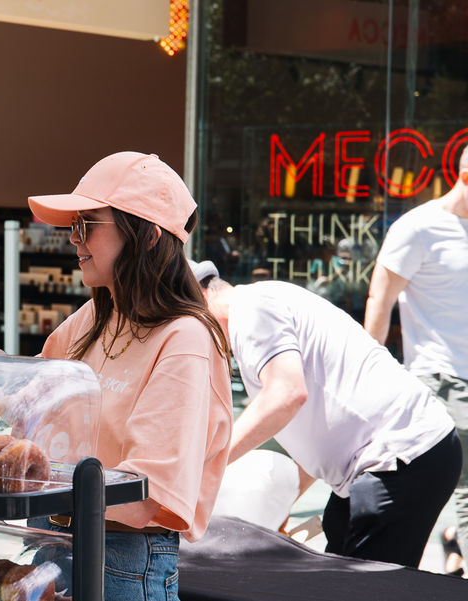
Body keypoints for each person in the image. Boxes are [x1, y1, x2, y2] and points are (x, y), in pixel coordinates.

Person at [27, 151, 232, 601]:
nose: (74, 239)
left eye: (88, 224)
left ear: (148, 236)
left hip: (120, 560)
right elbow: (30, 410)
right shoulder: (92, 317)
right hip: (54, 540)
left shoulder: (185, 337)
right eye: (73, 225)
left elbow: (150, 487)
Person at [194, 259, 459, 568]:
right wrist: (280, 502)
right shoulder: (261, 304)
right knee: (337, 552)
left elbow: (286, 396)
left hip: (400, 455)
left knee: (366, 588)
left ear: (197, 301)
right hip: (391, 458)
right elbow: (311, 422)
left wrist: (202, 468)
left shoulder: (251, 312)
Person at [364, 147, 468, 563]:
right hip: (442, 375)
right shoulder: (419, 227)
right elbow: (380, 298)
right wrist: (367, 374)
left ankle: (449, 542)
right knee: (466, 489)